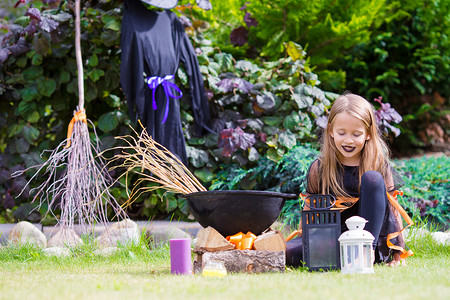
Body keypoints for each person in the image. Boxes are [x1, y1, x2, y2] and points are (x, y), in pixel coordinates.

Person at [286, 92, 413, 268]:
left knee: (373, 179)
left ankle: (364, 255)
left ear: (368, 134)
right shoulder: (320, 167)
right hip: (333, 239)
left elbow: (393, 210)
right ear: (331, 130)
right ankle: (341, 258)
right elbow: (309, 209)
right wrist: (304, 241)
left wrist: (400, 253)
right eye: (342, 132)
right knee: (285, 252)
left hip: (370, 242)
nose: (348, 140)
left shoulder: (377, 165)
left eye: (356, 134)